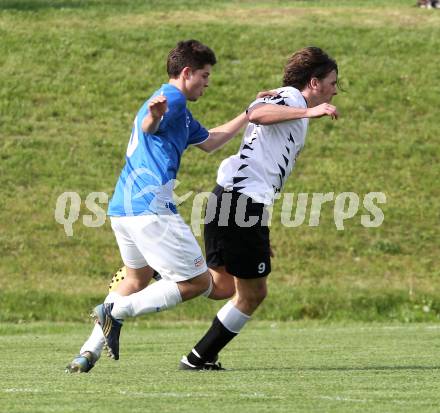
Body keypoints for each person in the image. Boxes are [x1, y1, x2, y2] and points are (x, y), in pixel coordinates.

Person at [66, 39, 271, 373]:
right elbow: (150, 125)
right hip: (152, 209)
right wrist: (153, 116)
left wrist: (248, 115)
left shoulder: (182, 112)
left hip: (124, 209)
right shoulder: (171, 98)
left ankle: (88, 351)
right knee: (200, 283)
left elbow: (211, 142)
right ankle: (115, 313)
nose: (208, 82)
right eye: (204, 75)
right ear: (187, 72)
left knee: (135, 278)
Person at [179, 46, 340, 370]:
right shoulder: (293, 100)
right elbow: (257, 114)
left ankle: (163, 276)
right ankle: (199, 356)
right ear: (314, 82)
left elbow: (261, 116)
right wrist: (310, 111)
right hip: (240, 202)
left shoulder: (290, 104)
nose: (335, 89)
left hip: (235, 200)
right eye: (333, 82)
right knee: (252, 293)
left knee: (222, 286)